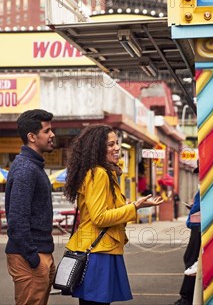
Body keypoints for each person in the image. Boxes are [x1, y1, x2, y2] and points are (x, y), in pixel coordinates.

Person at [63, 124, 164, 305]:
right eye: (110, 145)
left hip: (97, 249)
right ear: (97, 148)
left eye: (116, 143)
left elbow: (103, 210)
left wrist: (135, 206)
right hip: (98, 252)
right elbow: (100, 217)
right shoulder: (99, 174)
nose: (116, 148)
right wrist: (133, 208)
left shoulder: (100, 172)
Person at [5, 109, 56, 305]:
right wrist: (33, 258)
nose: (52, 135)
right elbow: (17, 219)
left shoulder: (33, 166)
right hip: (29, 257)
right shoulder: (26, 168)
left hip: (39, 252)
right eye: (47, 131)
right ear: (32, 137)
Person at [174, 166, 201, 305]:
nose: (199, 175)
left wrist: (191, 218)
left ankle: (187, 298)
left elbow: (195, 215)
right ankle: (188, 297)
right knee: (193, 261)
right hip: (199, 227)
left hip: (198, 228)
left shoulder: (204, 189)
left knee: (191, 261)